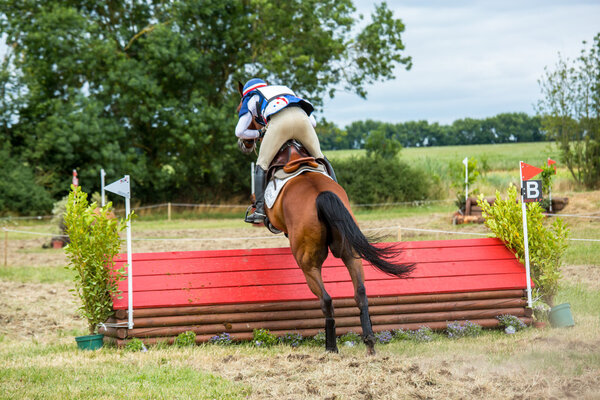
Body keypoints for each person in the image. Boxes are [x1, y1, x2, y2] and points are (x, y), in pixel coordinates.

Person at [236, 78, 337, 224]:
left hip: (279, 124)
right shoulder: (284, 90)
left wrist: (260, 133)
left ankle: (259, 211)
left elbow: (240, 131)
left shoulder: (250, 98)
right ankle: (337, 195)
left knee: (262, 164)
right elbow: (313, 123)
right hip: (303, 122)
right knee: (321, 158)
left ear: (245, 93)